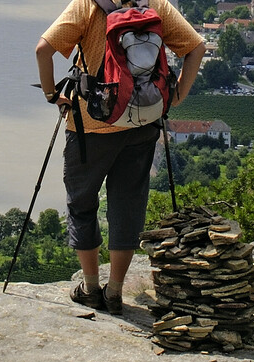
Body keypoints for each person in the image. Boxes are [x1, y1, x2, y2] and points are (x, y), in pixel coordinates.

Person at [35, 0, 205, 315]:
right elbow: (196, 47)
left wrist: (52, 95)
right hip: (142, 122)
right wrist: (177, 95)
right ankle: (114, 291)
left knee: (82, 203)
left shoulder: (87, 6)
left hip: (90, 127)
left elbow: (43, 50)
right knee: (128, 206)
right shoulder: (155, 4)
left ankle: (90, 288)